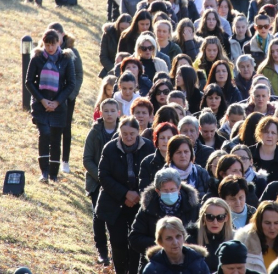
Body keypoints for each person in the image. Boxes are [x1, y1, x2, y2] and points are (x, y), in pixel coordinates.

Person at [95, 116, 155, 274]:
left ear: (138, 132)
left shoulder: (148, 147)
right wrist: (125, 194)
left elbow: (152, 174)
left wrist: (137, 196)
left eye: (132, 133)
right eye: (125, 133)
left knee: (135, 242)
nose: (128, 137)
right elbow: (104, 176)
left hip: (139, 203)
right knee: (118, 242)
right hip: (114, 202)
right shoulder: (110, 148)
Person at [25, 29, 75, 182]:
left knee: (55, 138)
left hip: (58, 106)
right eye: (47, 45)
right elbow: (29, 82)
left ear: (58, 43)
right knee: (44, 134)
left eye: (53, 44)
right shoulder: (37, 58)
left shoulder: (66, 59)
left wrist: (57, 102)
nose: (50, 48)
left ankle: (53, 174)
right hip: (41, 104)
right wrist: (42, 100)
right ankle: (44, 171)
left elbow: (70, 83)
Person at [130, 168, 200, 271]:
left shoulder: (193, 206)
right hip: (156, 264)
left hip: (188, 263)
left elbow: (200, 233)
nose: (169, 193)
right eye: (165, 190)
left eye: (172, 189)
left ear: (179, 188)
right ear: (158, 191)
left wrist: (182, 245)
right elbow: (135, 238)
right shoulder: (148, 208)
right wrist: (163, 245)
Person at [82, 99, 120, 266]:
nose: (109, 114)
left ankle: (116, 252)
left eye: (113, 110)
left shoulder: (123, 131)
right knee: (99, 218)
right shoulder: (95, 132)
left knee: (116, 220)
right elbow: (87, 159)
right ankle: (102, 252)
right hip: (97, 183)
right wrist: (101, 177)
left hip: (118, 184)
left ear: (118, 112)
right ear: (101, 112)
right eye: (106, 111)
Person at [46, 22, 83, 174]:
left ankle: (65, 160)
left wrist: (70, 95)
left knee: (65, 127)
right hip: (50, 97)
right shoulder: (45, 52)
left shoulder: (72, 52)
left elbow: (79, 75)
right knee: (49, 128)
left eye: (57, 34)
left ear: (62, 34)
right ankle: (49, 158)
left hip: (67, 98)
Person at [143, 216, 211, 274]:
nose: (175, 242)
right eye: (169, 238)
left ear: (184, 237)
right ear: (160, 242)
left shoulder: (199, 265)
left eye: (178, 236)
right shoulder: (152, 269)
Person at [235, 201, 278, 273]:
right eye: (267, 223)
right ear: (259, 223)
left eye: (276, 223)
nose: (272, 227)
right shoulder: (245, 244)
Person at [186, 198, 235, 272]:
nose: (215, 222)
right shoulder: (191, 240)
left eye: (220, 217)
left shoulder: (236, 240)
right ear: (203, 217)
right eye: (210, 217)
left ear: (226, 218)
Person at [138, 122, 178, 192]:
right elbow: (144, 189)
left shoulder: (181, 159)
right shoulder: (147, 162)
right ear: (157, 140)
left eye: (169, 138)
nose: (166, 141)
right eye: (162, 138)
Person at [99, 14, 131, 78]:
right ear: (117, 26)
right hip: (111, 70)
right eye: (122, 28)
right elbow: (103, 56)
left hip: (130, 71)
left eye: (127, 29)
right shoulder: (108, 34)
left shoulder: (134, 37)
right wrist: (115, 70)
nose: (124, 31)